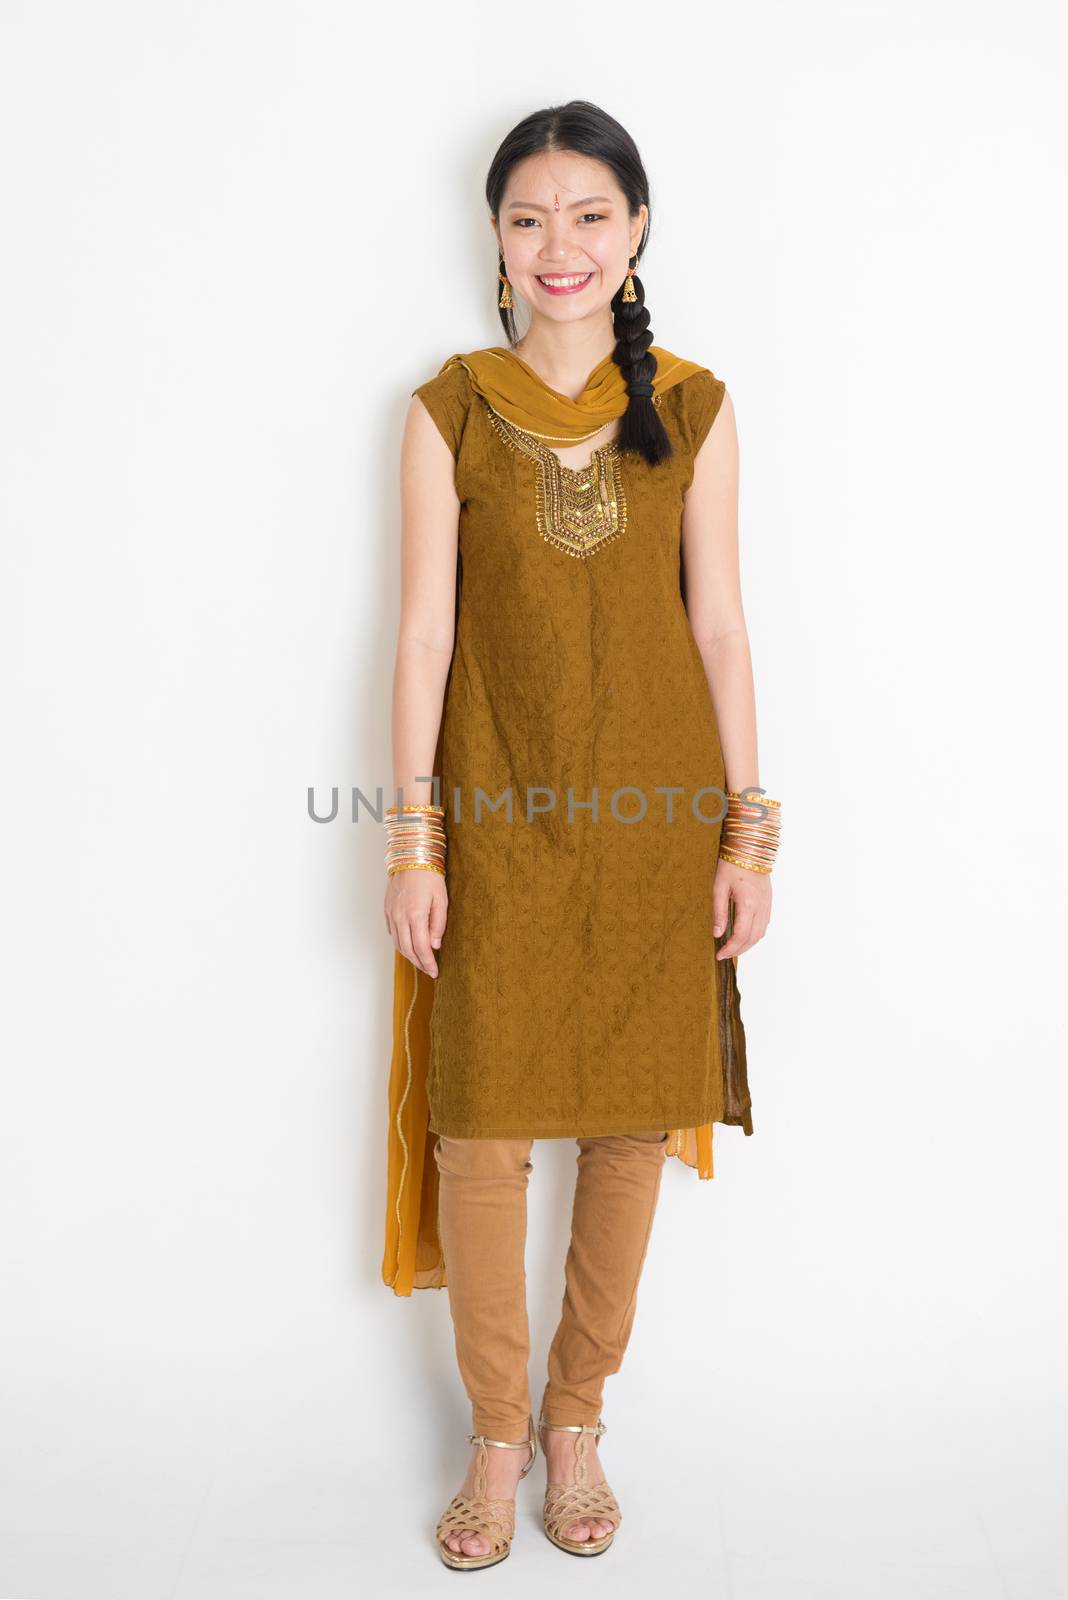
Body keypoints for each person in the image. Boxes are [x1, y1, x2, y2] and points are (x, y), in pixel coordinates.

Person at [380, 99, 780, 1570]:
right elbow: (423, 635)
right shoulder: (449, 408)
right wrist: (412, 841)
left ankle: (575, 1421)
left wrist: (751, 835)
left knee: (625, 1122)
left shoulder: (696, 403)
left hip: (658, 818)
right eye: (531, 217)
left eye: (590, 216)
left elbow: (722, 627)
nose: (562, 245)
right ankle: (494, 1435)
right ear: (495, 235)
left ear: (638, 230)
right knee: (480, 1125)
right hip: (491, 808)